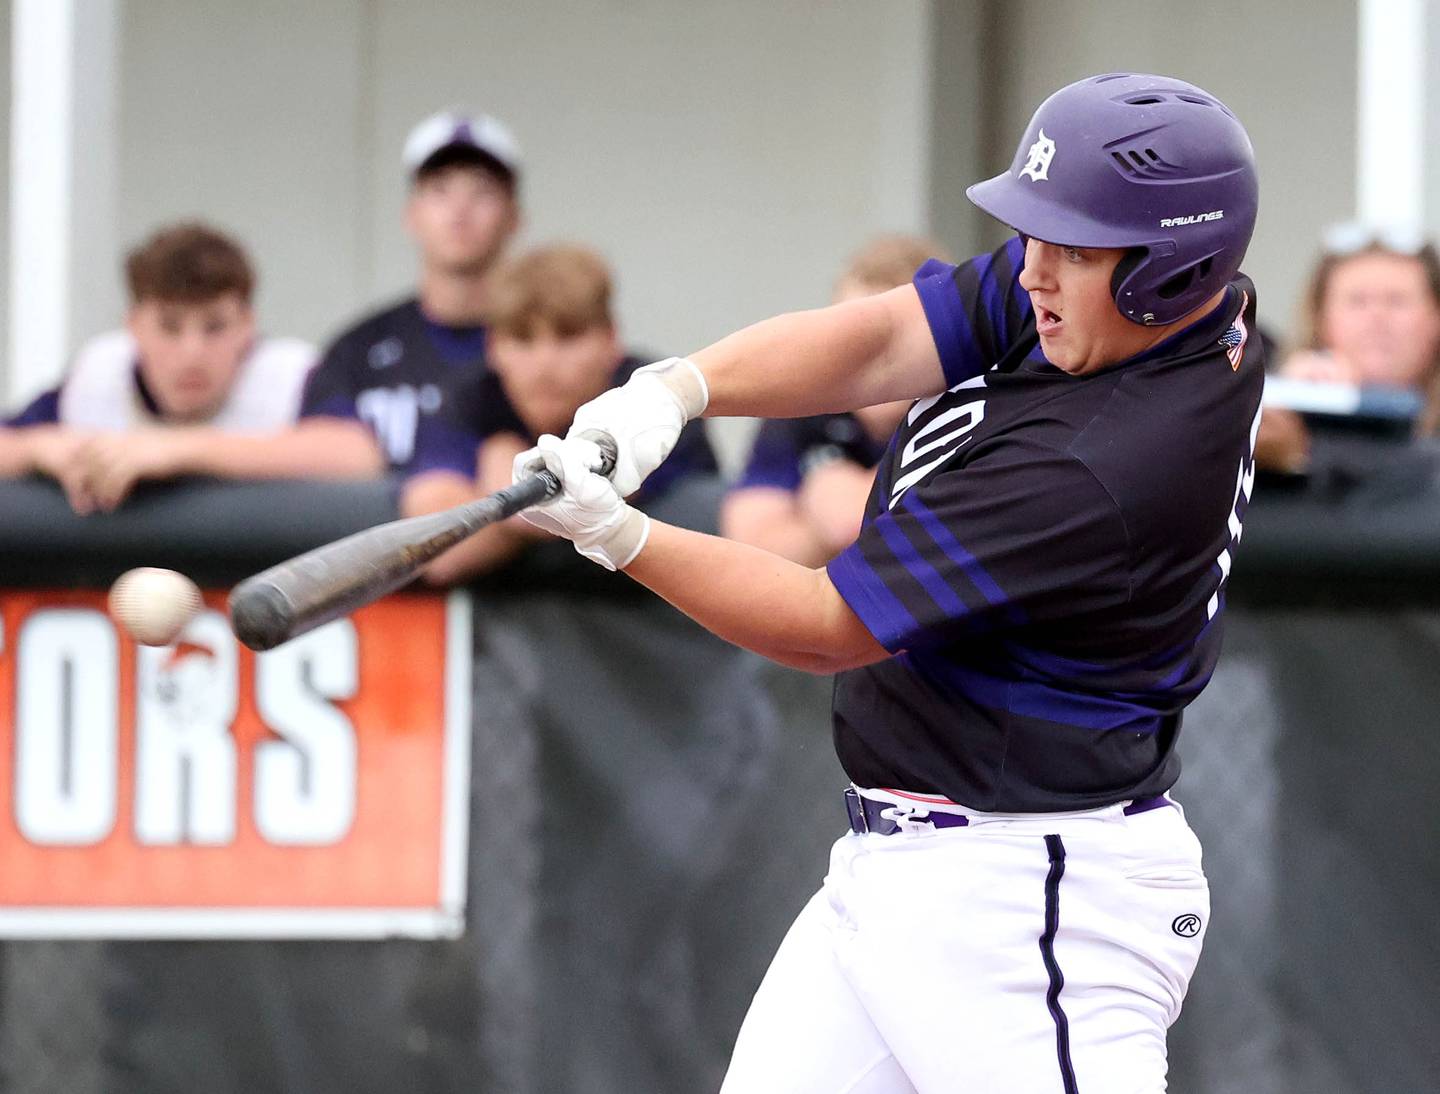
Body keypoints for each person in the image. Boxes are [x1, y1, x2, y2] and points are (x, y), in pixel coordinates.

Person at [511, 73, 1263, 1091]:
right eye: (1037, 237)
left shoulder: (1108, 462)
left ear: (1173, 270)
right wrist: (676, 390)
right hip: (899, 868)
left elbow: (828, 621)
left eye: (1072, 249)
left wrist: (620, 535)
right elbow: (887, 337)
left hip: (1032, 897)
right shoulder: (1113, 315)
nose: (1034, 271)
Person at [0, 222, 380, 513]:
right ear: (134, 326)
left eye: (215, 327)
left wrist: (176, 450)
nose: (192, 353)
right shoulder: (98, 375)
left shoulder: (287, 375)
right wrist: (36, 449)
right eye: (169, 327)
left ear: (247, 324)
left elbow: (357, 455)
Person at [400, 244, 717, 583]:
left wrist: (507, 485)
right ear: (492, 347)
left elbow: (583, 499)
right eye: (522, 339)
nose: (544, 364)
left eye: (568, 337)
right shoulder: (471, 397)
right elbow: (441, 553)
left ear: (610, 340)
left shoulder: (656, 395)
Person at [300, 110, 523, 474]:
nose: (460, 210)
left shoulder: (549, 349)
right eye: (440, 190)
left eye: (482, 191)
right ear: (411, 214)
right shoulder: (357, 350)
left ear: (514, 217)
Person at [722, 235, 951, 564]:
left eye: (883, 337)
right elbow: (749, 546)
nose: (861, 355)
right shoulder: (804, 401)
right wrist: (837, 504)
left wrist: (832, 498)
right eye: (846, 334)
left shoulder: (972, 402)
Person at [1257, 223, 1440, 471]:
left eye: (1397, 300)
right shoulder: (1268, 410)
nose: (1378, 316)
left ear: (1435, 318)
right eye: (1357, 301)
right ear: (1320, 318)